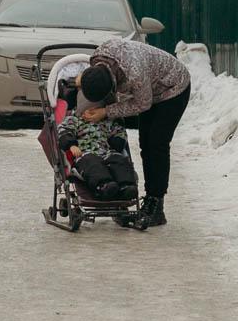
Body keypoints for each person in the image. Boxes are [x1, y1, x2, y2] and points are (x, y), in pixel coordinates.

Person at [76, 36, 191, 228]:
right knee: (145, 143)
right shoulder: (98, 57)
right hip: (151, 84)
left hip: (173, 88)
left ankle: (156, 205)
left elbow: (142, 103)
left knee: (156, 144)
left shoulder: (134, 73)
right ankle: (152, 198)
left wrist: (106, 111)